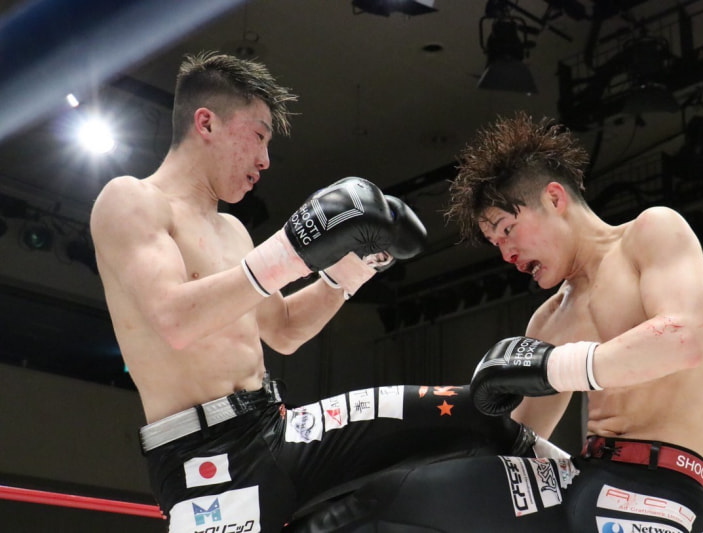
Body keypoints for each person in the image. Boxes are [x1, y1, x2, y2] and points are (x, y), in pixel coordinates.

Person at [89, 52, 538, 533]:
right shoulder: (131, 200)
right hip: (205, 461)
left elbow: (283, 330)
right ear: (206, 123)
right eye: (258, 135)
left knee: (467, 412)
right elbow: (175, 322)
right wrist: (291, 249)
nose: (264, 160)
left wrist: (354, 265)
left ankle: (576, 482)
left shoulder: (233, 232)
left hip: (278, 429)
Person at [282, 113, 703, 533]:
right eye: (495, 242)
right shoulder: (549, 320)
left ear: (554, 198)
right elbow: (517, 442)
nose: (506, 254)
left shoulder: (651, 233)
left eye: (507, 229)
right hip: (584, 476)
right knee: (389, 501)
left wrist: (553, 367)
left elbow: (682, 339)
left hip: (658, 485)